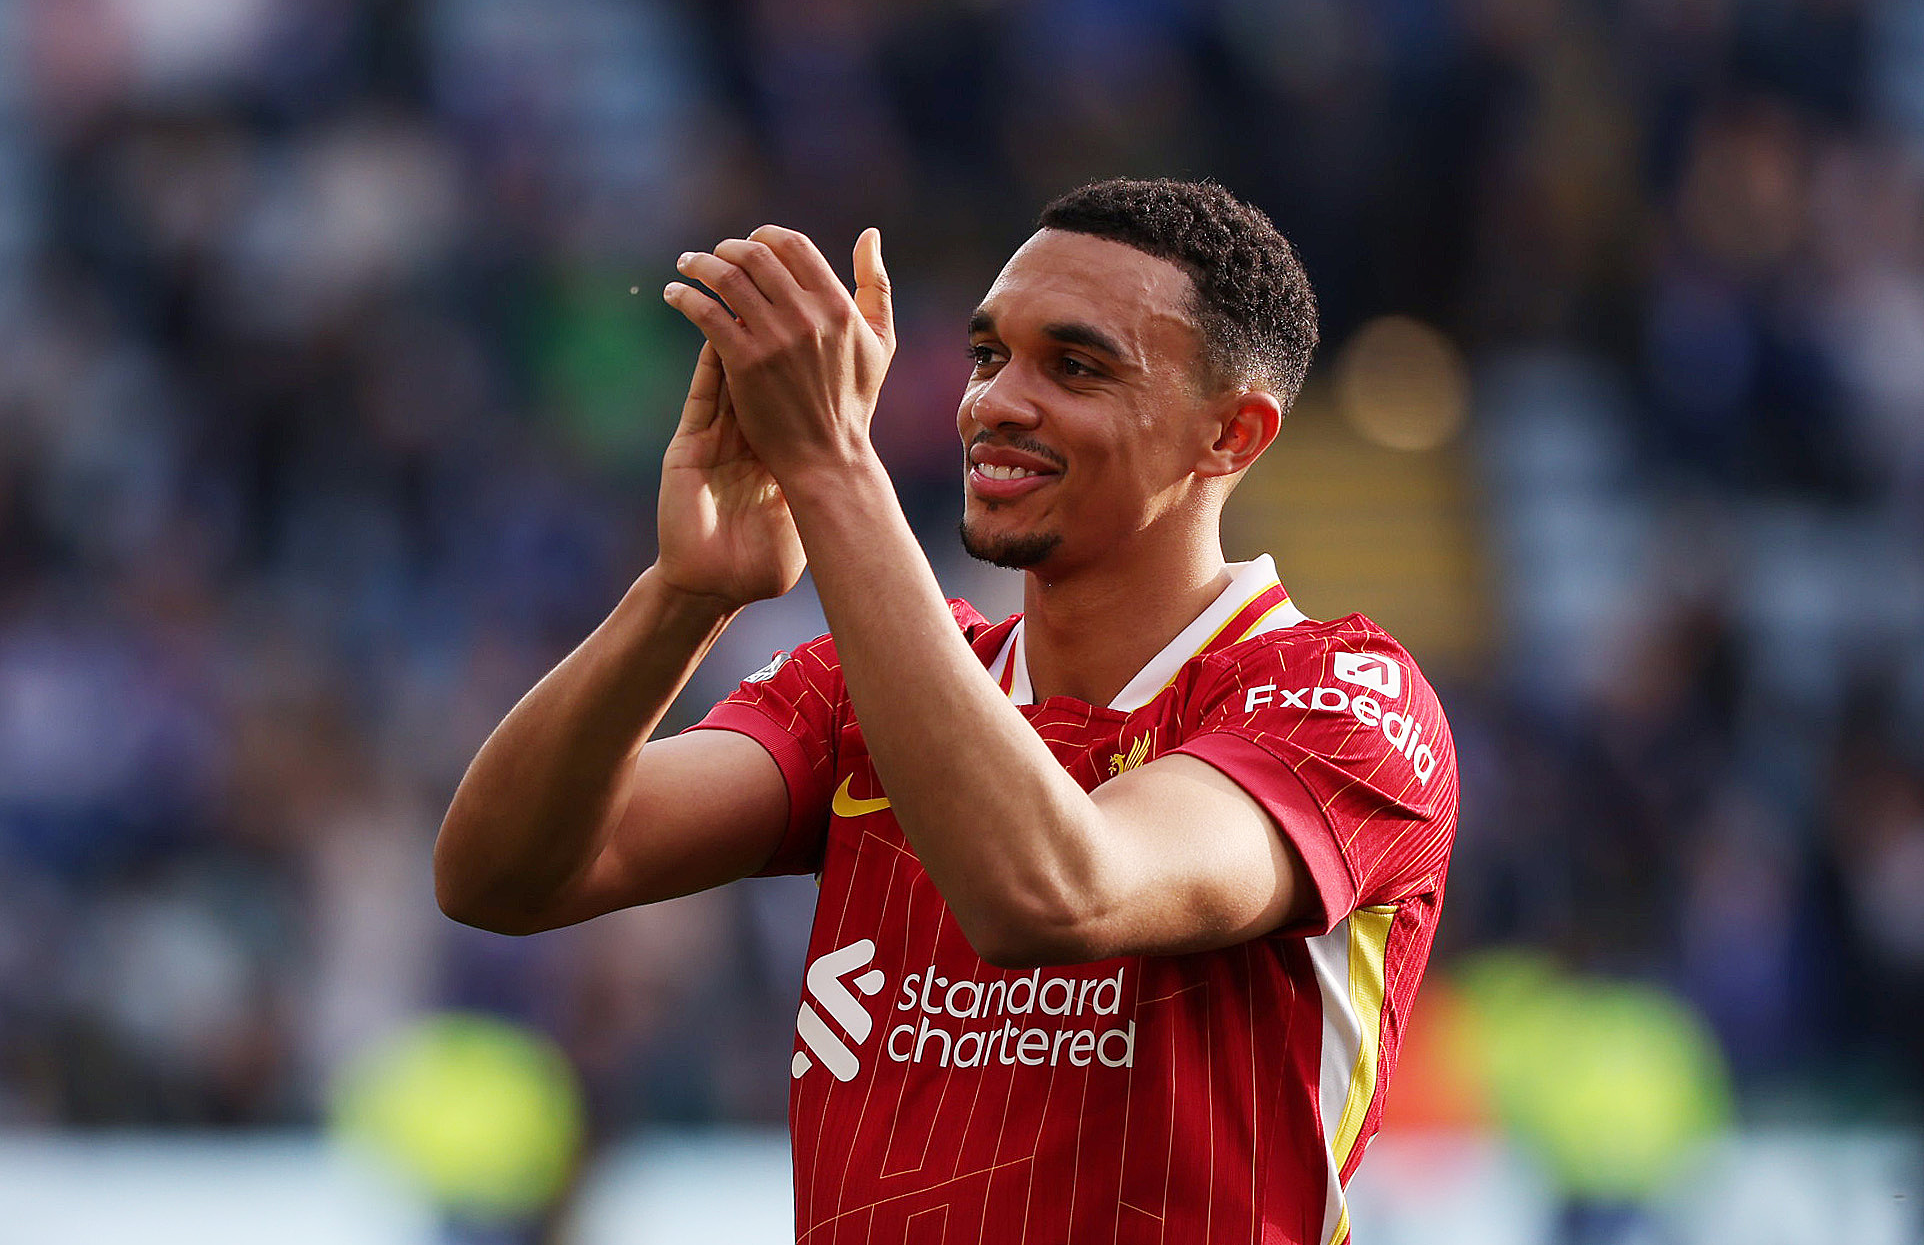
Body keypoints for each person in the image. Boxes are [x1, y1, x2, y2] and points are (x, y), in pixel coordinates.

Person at [435, 178, 1459, 1243]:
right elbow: (501, 875)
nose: (994, 403)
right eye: (986, 356)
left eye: (1074, 366)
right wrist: (686, 595)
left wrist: (833, 466)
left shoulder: (1340, 699)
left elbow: (1053, 894)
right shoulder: (856, 689)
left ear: (1231, 435)